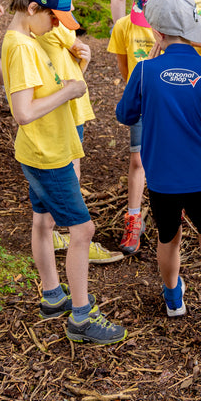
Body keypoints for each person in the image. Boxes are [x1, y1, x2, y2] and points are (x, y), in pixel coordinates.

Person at [116, 0, 201, 351]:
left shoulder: (144, 71)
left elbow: (125, 115)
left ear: (157, 34)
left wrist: (148, 70)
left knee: (167, 237)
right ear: (192, 31)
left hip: (161, 179)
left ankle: (174, 298)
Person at [2, 0, 126, 345]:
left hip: (45, 147)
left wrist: (76, 76)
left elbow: (49, 85)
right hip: (47, 153)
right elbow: (22, 112)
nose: (57, 26)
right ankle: (82, 318)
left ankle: (53, 296)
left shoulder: (31, 38)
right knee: (83, 231)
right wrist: (72, 89)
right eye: (54, 18)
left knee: (42, 222)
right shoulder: (21, 46)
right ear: (34, 8)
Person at [37, 22, 124, 265]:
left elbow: (62, 72)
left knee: (68, 170)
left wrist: (81, 65)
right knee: (68, 173)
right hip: (64, 113)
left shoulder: (51, 31)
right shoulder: (55, 30)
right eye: (66, 9)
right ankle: (75, 237)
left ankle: (54, 233)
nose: (70, 16)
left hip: (70, 109)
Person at [107, 0, 168, 255]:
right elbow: (123, 69)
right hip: (142, 102)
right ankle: (133, 218)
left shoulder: (174, 29)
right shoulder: (123, 26)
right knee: (137, 158)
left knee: (170, 154)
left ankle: (171, 207)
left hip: (169, 102)